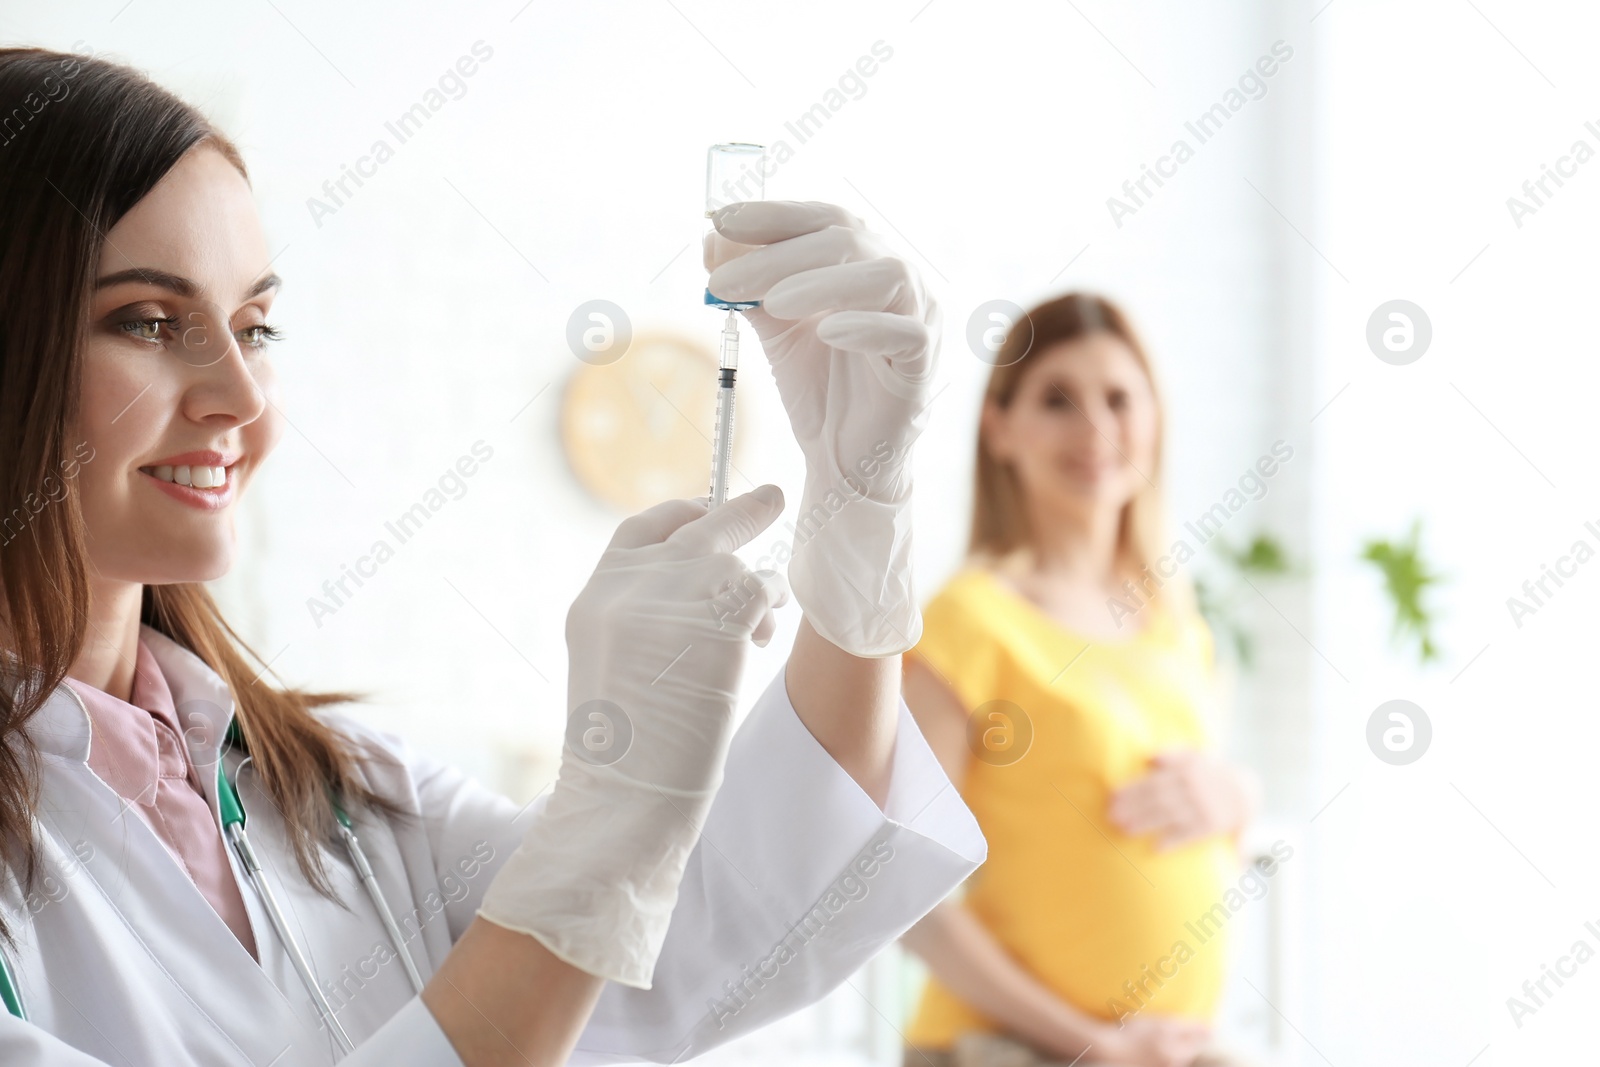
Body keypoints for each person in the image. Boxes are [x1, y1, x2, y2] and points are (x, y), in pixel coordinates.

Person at [0, 47, 985, 1066]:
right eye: (149, 320)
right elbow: (578, 919)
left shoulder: (334, 792)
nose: (242, 399)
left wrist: (860, 542)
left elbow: (701, 926)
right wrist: (604, 818)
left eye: (254, 326)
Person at [898, 293, 1261, 1067]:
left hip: (1171, 1049)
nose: (1096, 428)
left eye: (1120, 399)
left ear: (1154, 420)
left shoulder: (1175, 622)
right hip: (1007, 1047)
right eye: (1057, 399)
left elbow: (1200, 840)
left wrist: (1239, 801)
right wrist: (1094, 1045)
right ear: (999, 427)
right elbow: (903, 890)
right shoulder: (965, 622)